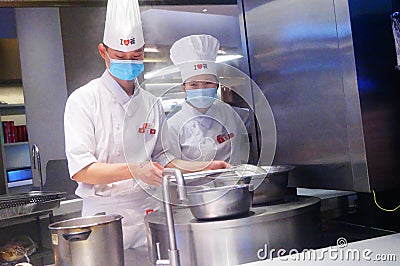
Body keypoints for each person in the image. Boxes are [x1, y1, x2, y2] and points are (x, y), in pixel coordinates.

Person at [64, 0, 227, 249]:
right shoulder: (83, 100)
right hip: (103, 221)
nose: (129, 63)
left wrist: (204, 167)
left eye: (136, 56)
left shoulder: (151, 103)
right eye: (120, 56)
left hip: (150, 212)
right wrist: (135, 169)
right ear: (103, 52)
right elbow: (82, 170)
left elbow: (165, 159)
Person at [167, 34, 249, 165]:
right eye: (193, 84)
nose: (201, 89)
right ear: (184, 88)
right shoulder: (173, 126)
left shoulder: (229, 113)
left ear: (217, 85)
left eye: (207, 83)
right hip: (194, 186)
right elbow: (173, 169)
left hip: (234, 183)